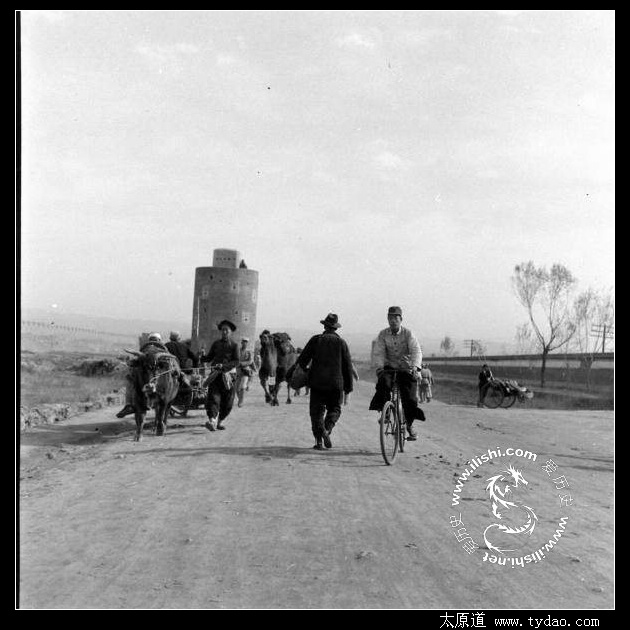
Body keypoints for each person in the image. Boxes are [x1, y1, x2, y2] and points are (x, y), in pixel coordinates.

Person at [297, 313, 354, 450]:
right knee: (335, 409)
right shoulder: (342, 343)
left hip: (317, 382)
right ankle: (327, 430)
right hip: (336, 384)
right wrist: (348, 388)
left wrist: (304, 372)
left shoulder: (316, 340)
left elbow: (302, 360)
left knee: (316, 412)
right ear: (336, 328)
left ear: (324, 326)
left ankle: (319, 441)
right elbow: (347, 367)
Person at [369, 306, 426, 440]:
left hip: (405, 368)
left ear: (401, 319)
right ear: (387, 319)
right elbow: (378, 352)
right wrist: (379, 367)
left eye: (396, 318)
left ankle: (409, 424)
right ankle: (386, 412)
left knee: (410, 397)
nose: (393, 321)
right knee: (383, 383)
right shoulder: (383, 334)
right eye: (390, 318)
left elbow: (416, 350)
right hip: (389, 368)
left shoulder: (408, 334)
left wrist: (415, 367)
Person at [116, 332, 168, 418]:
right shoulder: (162, 351)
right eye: (153, 340)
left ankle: (129, 404)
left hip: (148, 379)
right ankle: (129, 404)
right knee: (130, 379)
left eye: (153, 340)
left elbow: (134, 362)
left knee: (130, 382)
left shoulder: (146, 350)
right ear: (159, 340)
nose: (153, 342)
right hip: (155, 379)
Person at [200, 320, 240, 431]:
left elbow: (236, 361)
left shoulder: (234, 346)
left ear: (231, 332)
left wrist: (224, 366)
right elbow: (209, 358)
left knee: (228, 402)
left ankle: (220, 421)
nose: (224, 332)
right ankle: (212, 420)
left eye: (226, 330)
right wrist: (202, 357)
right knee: (213, 398)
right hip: (215, 375)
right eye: (223, 330)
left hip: (229, 377)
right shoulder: (216, 344)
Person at [236, 337, 256, 407]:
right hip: (238, 371)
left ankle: (241, 401)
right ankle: (240, 399)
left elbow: (250, 361)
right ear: (241, 343)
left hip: (246, 371)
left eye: (246, 342)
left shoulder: (249, 352)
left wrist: (241, 363)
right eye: (243, 342)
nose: (245, 343)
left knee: (242, 386)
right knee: (237, 388)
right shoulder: (238, 351)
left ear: (247, 343)